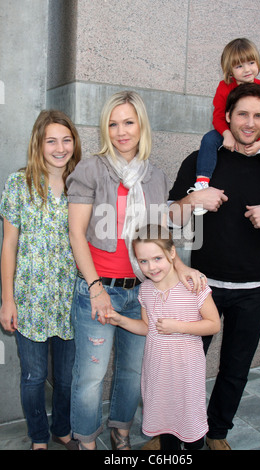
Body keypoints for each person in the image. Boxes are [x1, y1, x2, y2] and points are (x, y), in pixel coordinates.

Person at [66, 90, 205, 450]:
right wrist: (96, 288)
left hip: (142, 290)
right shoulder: (91, 169)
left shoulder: (155, 176)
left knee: (131, 371)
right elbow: (76, 234)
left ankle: (121, 430)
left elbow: (157, 237)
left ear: (141, 125)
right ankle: (86, 440)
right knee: (91, 375)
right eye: (113, 123)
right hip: (97, 290)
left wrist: (181, 266)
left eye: (128, 122)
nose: (121, 131)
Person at [168, 82, 260, 450]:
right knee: (186, 369)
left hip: (254, 290)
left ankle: (217, 432)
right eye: (243, 113)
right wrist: (195, 197)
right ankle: (174, 434)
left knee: (236, 369)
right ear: (227, 115)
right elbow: (168, 219)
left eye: (259, 115)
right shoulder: (201, 161)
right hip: (201, 287)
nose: (250, 122)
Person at [0, 110, 82, 450]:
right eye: (51, 140)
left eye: (66, 139)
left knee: (65, 378)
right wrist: (7, 299)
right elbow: (8, 245)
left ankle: (62, 427)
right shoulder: (18, 184)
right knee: (34, 377)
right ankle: (37, 436)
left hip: (71, 298)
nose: (59, 147)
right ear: (39, 143)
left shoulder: (82, 182)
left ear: (74, 143)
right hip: (30, 299)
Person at [106, 224, 220, 450]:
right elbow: (147, 327)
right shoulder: (146, 290)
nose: (151, 267)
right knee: (166, 426)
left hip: (186, 370)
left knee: (190, 430)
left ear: (172, 253)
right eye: (143, 261)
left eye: (157, 258)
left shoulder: (193, 286)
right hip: (158, 371)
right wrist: (119, 320)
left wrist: (178, 326)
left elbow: (214, 324)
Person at [191, 38, 260, 225]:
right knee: (209, 140)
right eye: (240, 66)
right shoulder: (224, 87)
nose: (247, 69)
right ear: (229, 70)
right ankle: (202, 183)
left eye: (251, 62)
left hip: (259, 138)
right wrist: (226, 133)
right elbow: (218, 116)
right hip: (227, 130)